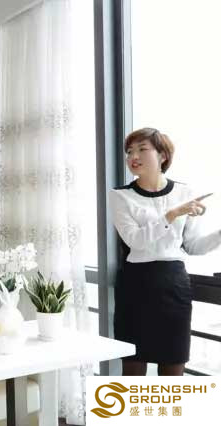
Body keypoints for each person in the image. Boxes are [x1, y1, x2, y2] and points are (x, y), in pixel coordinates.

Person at [109, 127, 221, 376]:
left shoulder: (185, 193)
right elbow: (136, 241)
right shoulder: (120, 196)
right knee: (133, 371)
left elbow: (193, 246)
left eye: (142, 149)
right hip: (136, 285)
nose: (133, 156)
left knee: (173, 370)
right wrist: (172, 214)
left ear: (162, 156)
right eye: (129, 151)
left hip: (173, 285)